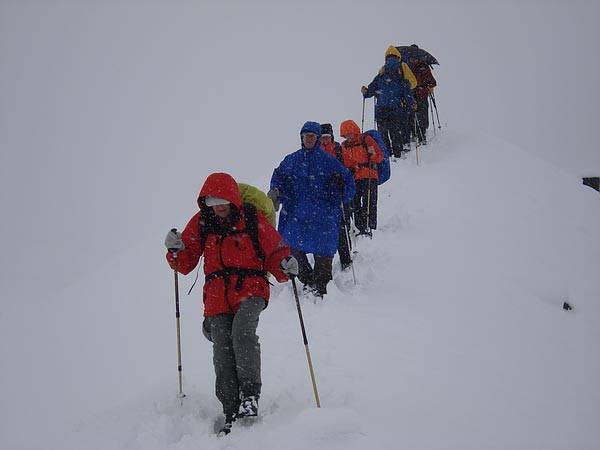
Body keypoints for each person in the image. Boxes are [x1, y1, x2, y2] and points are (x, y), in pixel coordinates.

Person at [164, 172, 299, 435]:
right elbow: (186, 261)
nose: (219, 207)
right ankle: (230, 406)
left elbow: (274, 249)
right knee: (222, 349)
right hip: (216, 294)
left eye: (222, 201)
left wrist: (285, 265)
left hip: (252, 288)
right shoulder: (204, 221)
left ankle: (249, 395)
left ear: (233, 199)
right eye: (213, 202)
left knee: (243, 332)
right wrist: (175, 250)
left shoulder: (251, 217)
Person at [269, 121, 355, 297]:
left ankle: (322, 286)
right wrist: (276, 192)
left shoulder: (329, 161)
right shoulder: (291, 161)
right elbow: (278, 178)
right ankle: (308, 281)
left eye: (312, 136)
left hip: (324, 215)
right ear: (301, 137)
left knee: (323, 252)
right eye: (305, 135)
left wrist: (341, 188)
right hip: (297, 214)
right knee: (292, 248)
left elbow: (348, 184)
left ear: (317, 139)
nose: (308, 139)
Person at [361, 45, 416, 158]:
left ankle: (387, 153)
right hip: (396, 110)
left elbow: (370, 90)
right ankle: (397, 153)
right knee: (395, 133)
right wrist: (412, 103)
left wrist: (365, 92)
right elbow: (407, 93)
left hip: (381, 110)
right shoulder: (401, 76)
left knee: (383, 134)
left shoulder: (381, 75)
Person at [339, 119, 384, 236]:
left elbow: (380, 157)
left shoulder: (366, 140)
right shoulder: (343, 146)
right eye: (346, 134)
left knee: (370, 201)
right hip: (354, 178)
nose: (348, 136)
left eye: (350, 133)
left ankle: (371, 226)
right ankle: (360, 227)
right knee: (355, 204)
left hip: (369, 175)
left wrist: (372, 155)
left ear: (355, 131)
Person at [320, 123, 353, 271]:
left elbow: (351, 165)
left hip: (338, 193)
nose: (325, 140)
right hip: (322, 196)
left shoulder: (339, 149)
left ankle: (345, 258)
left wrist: (343, 177)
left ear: (331, 136)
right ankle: (327, 260)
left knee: (341, 225)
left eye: (327, 137)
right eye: (323, 137)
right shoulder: (316, 151)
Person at [408, 46, 437, 144]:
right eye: (411, 58)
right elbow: (432, 82)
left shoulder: (421, 66)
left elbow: (433, 82)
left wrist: (422, 84)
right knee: (419, 115)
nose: (412, 59)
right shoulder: (417, 66)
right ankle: (418, 134)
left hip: (417, 94)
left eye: (414, 58)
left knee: (418, 115)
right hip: (418, 94)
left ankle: (420, 134)